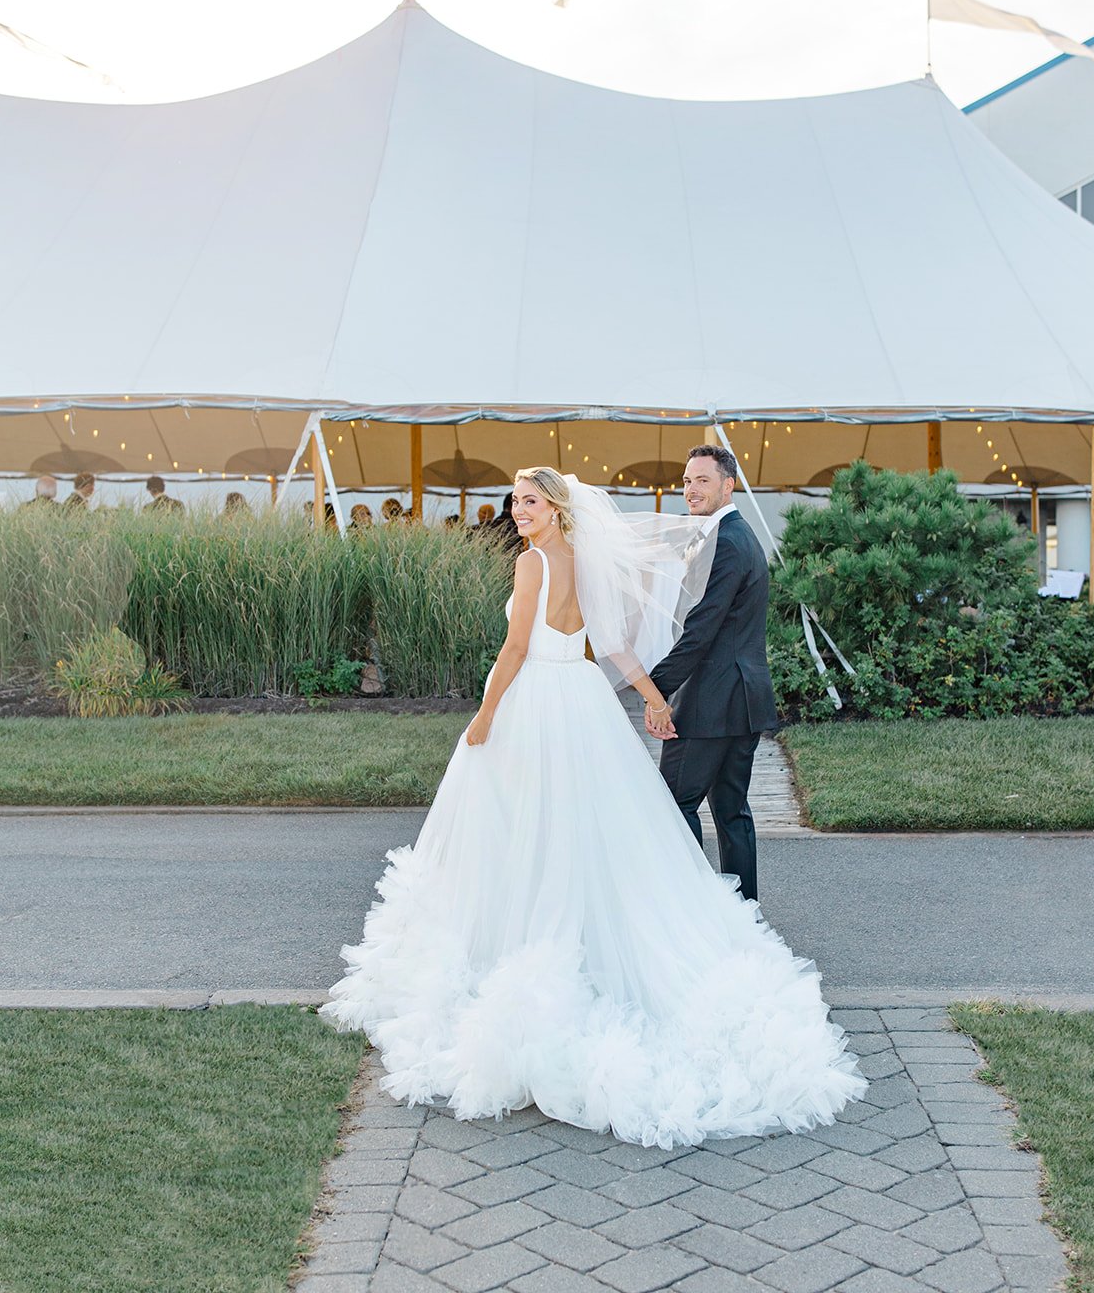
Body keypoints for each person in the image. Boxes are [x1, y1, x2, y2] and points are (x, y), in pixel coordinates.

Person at [322, 467, 864, 1149]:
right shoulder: (583, 561)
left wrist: (485, 717)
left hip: (539, 701)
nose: (519, 513)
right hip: (582, 700)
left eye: (530, 502)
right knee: (587, 828)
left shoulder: (532, 566)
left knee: (525, 827)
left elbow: (515, 649)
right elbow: (611, 647)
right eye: (516, 502)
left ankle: (531, 945)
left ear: (555, 508)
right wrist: (652, 695)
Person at [648, 444, 777, 904]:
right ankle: (745, 916)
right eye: (686, 481)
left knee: (673, 805)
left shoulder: (726, 542)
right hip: (742, 701)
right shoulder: (737, 536)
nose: (690, 489)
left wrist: (654, 689)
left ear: (729, 484)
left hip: (711, 703)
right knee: (731, 810)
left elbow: (700, 630)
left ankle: (694, 914)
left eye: (702, 480)